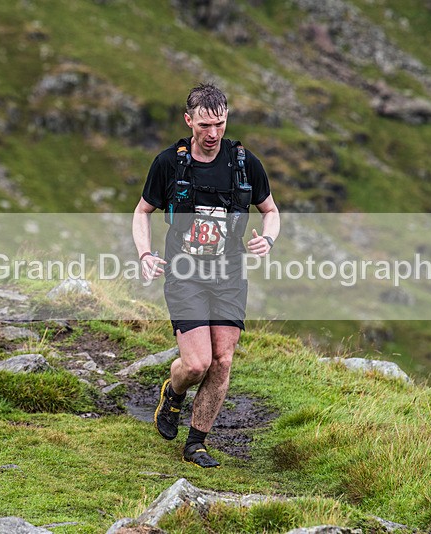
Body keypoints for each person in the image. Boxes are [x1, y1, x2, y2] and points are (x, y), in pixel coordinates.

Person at [132, 82, 280, 468]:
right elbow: (142, 211)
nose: (213, 134)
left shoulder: (245, 164)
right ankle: (174, 391)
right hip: (185, 273)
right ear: (189, 120)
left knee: (223, 361)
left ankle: (196, 442)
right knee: (196, 364)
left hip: (229, 272)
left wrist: (267, 240)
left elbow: (271, 210)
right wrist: (145, 253)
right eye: (204, 126)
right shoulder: (169, 163)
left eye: (219, 124)